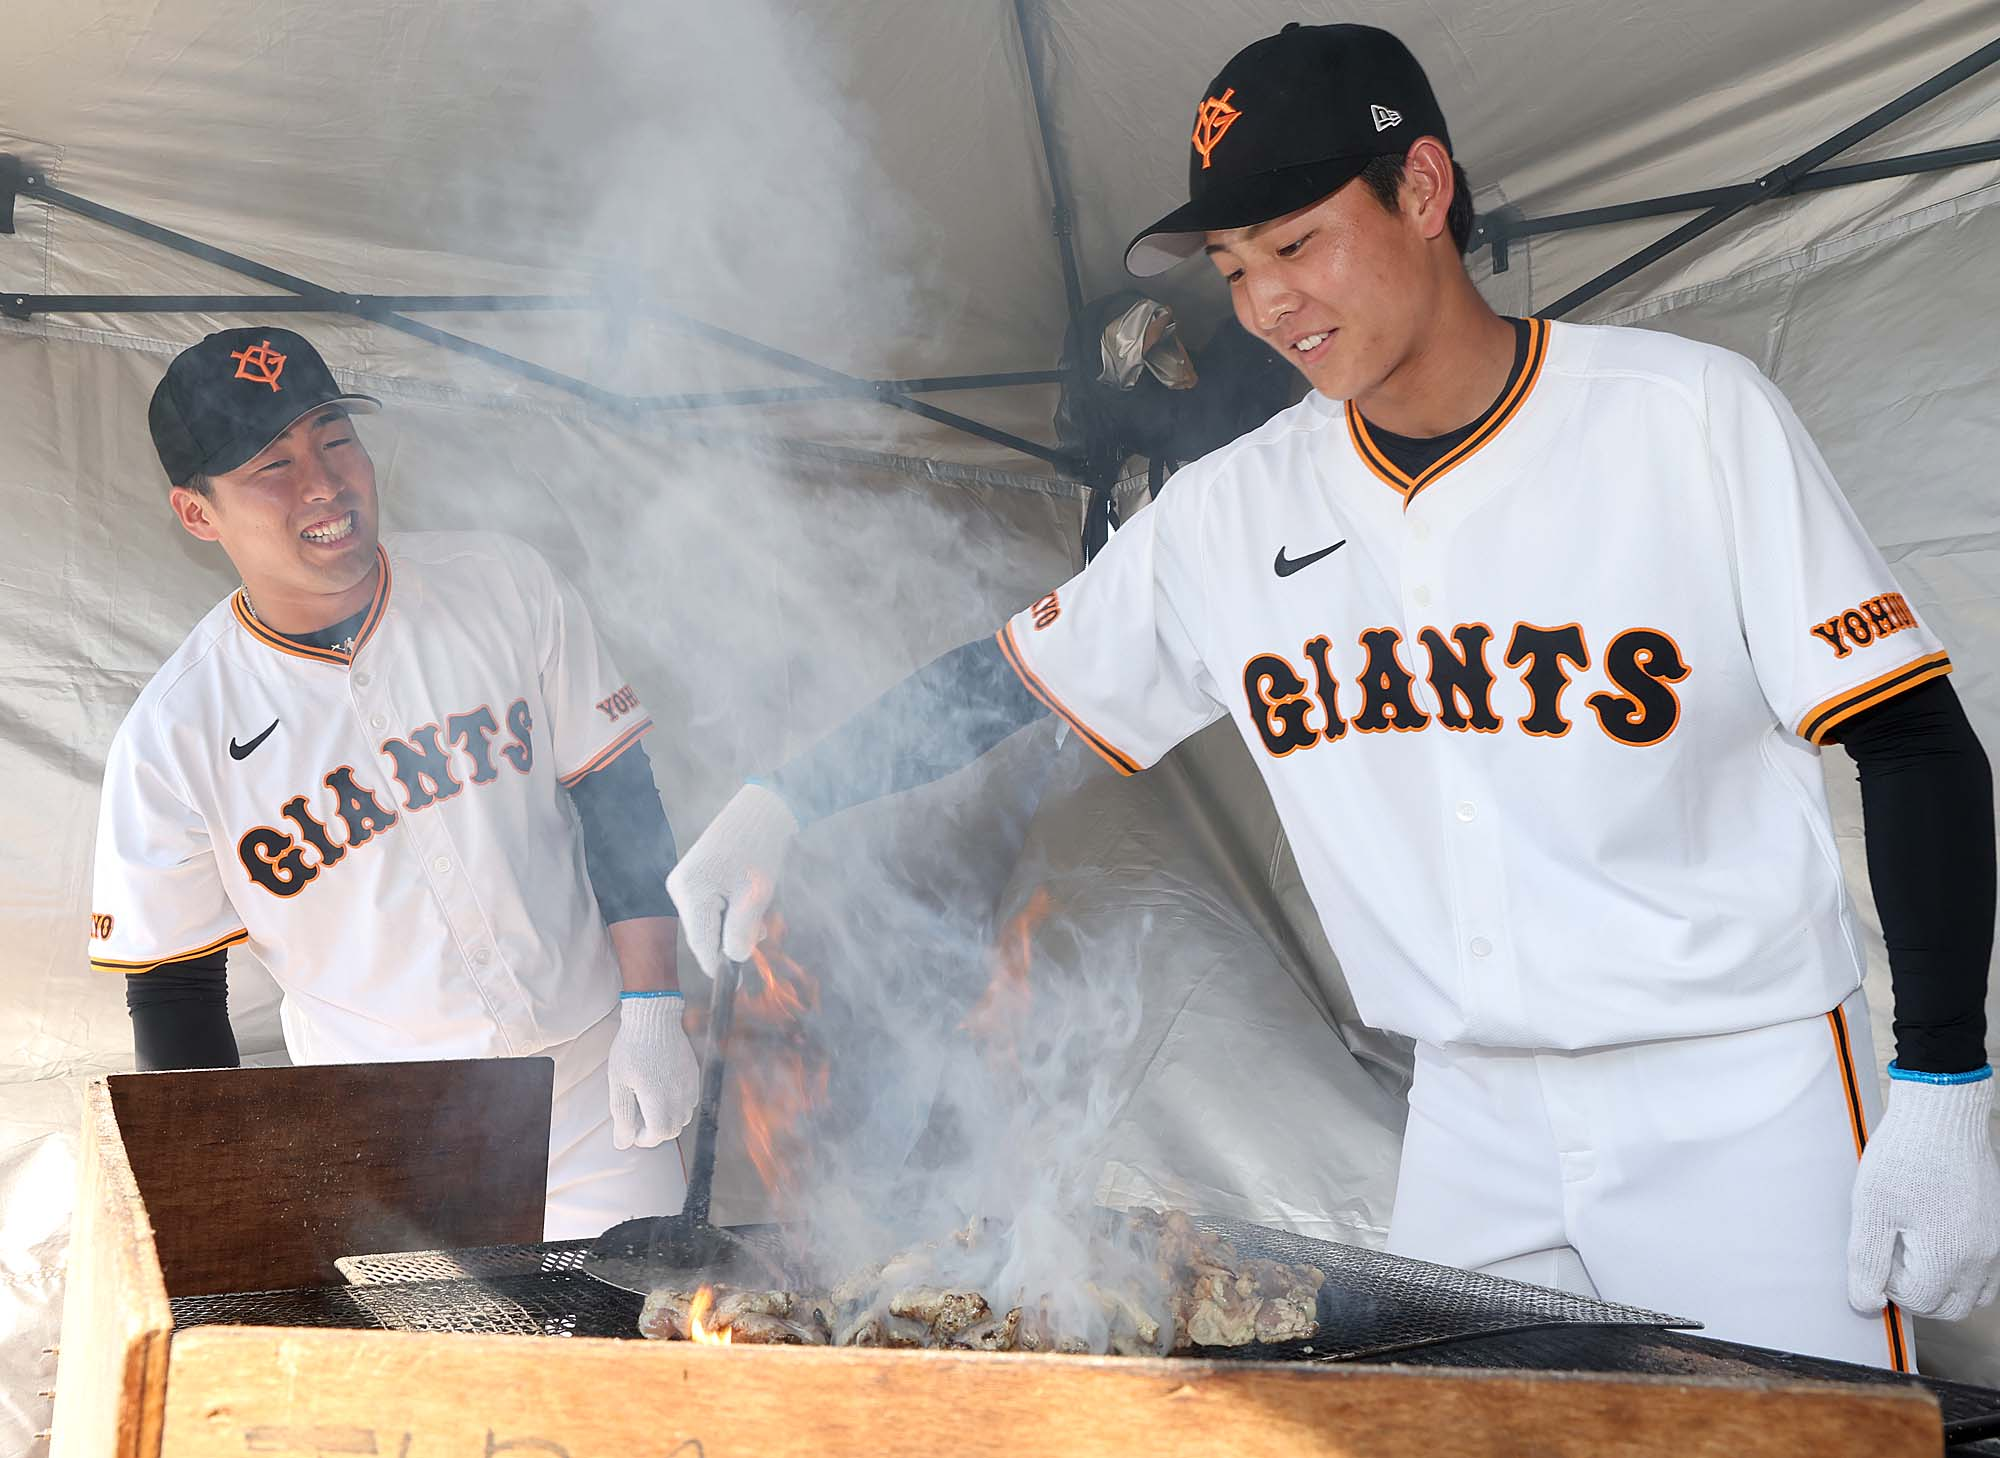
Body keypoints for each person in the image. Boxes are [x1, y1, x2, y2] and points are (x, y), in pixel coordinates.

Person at [665, 23, 2000, 1366]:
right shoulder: (1229, 512)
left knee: (1788, 1445)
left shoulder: (1690, 420)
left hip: (1734, 1091)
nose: (1265, 305)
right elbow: (1007, 682)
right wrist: (787, 796)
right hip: (1470, 1110)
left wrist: (1945, 1074)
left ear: (1423, 192)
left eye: (1296, 243)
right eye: (1237, 267)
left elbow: (1911, 739)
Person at [90, 326, 697, 1238]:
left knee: (643, 1365)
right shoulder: (173, 734)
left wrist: (655, 1008)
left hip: (593, 1087)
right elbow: (174, 992)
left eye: (335, 438)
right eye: (272, 465)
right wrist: (213, 1201)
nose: (324, 483)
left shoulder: (503, 585)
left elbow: (617, 795)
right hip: (383, 1137)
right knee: (444, 1380)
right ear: (197, 513)